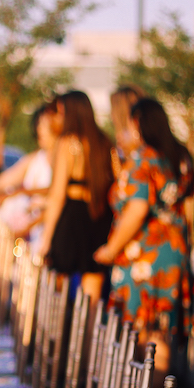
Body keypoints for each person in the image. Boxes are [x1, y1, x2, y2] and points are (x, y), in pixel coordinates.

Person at [93, 98, 194, 386]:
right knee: (160, 328)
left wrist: (111, 248)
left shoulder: (145, 157)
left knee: (143, 331)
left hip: (145, 252)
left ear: (139, 123)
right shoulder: (179, 155)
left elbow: (137, 207)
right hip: (173, 250)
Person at [37, 91, 115, 306]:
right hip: (98, 214)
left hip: (72, 215)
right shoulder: (104, 141)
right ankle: (89, 335)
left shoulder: (67, 142)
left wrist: (46, 238)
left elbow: (57, 195)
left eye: (61, 112)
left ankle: (61, 335)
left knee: (59, 281)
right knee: (93, 282)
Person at [0, 102, 56, 250]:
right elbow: (0, 182)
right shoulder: (34, 160)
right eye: (38, 125)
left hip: (50, 232)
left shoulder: (64, 159)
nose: (39, 130)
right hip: (34, 234)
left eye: (44, 125)